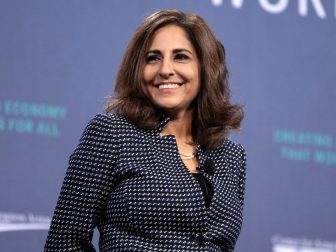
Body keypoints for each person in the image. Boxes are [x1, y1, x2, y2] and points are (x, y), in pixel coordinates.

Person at [45, 9, 246, 252]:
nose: (165, 69)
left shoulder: (232, 156)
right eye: (153, 58)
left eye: (181, 57)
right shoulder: (111, 133)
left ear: (206, 68)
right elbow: (64, 243)